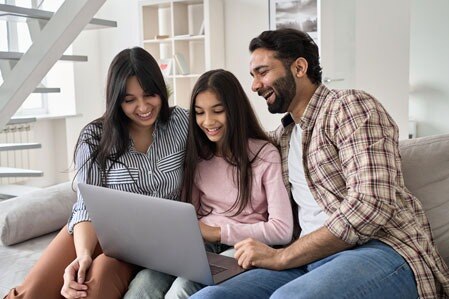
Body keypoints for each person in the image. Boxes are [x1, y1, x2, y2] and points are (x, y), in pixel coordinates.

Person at [191, 29, 449, 299]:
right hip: (306, 260)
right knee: (207, 297)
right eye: (253, 76)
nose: (255, 85)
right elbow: (233, 148)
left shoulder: (350, 107)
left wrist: (282, 257)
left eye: (263, 72)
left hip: (378, 250)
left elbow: (371, 206)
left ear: (300, 67)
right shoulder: (282, 139)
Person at [4, 46, 189, 299]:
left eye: (150, 95)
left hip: (143, 242)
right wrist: (83, 255)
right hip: (91, 228)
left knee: (94, 283)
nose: (143, 107)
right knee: (32, 292)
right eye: (129, 100)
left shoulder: (182, 124)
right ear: (116, 100)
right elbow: (86, 205)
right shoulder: (94, 137)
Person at [123, 69, 293, 299]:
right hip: (200, 244)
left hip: (242, 247)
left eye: (218, 111)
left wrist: (217, 233)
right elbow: (188, 213)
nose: (208, 121)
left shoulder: (264, 154)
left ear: (235, 110)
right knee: (145, 283)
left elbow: (282, 230)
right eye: (199, 113)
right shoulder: (198, 156)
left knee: (182, 288)